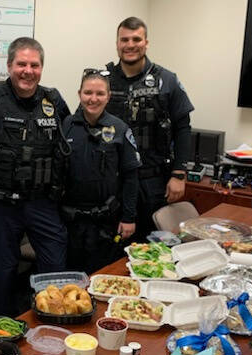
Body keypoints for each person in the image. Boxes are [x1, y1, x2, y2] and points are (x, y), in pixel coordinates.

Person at [0, 37, 70, 316]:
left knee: (55, 265)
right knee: (5, 270)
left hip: (42, 202)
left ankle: (50, 321)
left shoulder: (53, 99)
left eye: (34, 65)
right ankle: (4, 328)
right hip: (3, 203)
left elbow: (69, 141)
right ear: (9, 66)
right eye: (21, 64)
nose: (27, 71)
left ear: (41, 68)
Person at [106, 17, 194, 240]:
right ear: (117, 43)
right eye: (124, 39)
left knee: (153, 246)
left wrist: (179, 174)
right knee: (113, 244)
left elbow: (183, 128)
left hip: (153, 181)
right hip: (113, 181)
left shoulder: (166, 80)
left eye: (136, 39)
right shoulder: (103, 81)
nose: (130, 45)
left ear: (146, 43)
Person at [61, 70, 140, 274]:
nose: (93, 99)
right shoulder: (66, 126)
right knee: (72, 276)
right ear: (79, 94)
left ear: (108, 96)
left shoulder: (120, 129)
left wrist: (129, 217)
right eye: (88, 93)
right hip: (71, 221)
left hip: (106, 220)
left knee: (103, 274)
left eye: (100, 93)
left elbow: (131, 176)